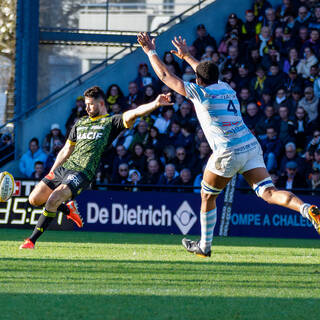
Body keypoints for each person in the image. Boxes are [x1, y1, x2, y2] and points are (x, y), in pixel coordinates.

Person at [137, 32, 320, 258]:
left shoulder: (200, 93)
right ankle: (306, 209)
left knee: (207, 196)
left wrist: (150, 51)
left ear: (198, 80)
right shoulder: (226, 88)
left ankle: (204, 246)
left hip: (228, 151)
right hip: (250, 146)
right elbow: (205, 73)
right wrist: (187, 57)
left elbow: (166, 75)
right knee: (269, 192)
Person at [19, 85, 172, 249]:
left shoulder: (111, 122)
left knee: (54, 199)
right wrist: (52, 172)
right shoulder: (81, 123)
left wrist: (156, 104)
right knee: (34, 199)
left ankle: (31, 240)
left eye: (90, 104)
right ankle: (68, 209)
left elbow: (134, 113)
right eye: (85, 103)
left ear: (101, 103)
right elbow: (66, 150)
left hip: (83, 171)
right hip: (65, 168)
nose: (86, 107)